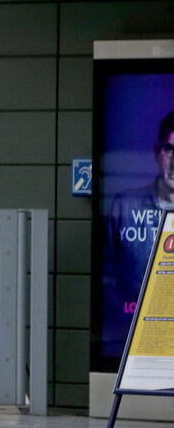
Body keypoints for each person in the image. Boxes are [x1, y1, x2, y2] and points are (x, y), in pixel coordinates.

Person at [102, 110, 174, 358]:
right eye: (169, 150)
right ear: (157, 152)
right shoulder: (124, 206)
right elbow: (107, 279)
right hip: (131, 341)